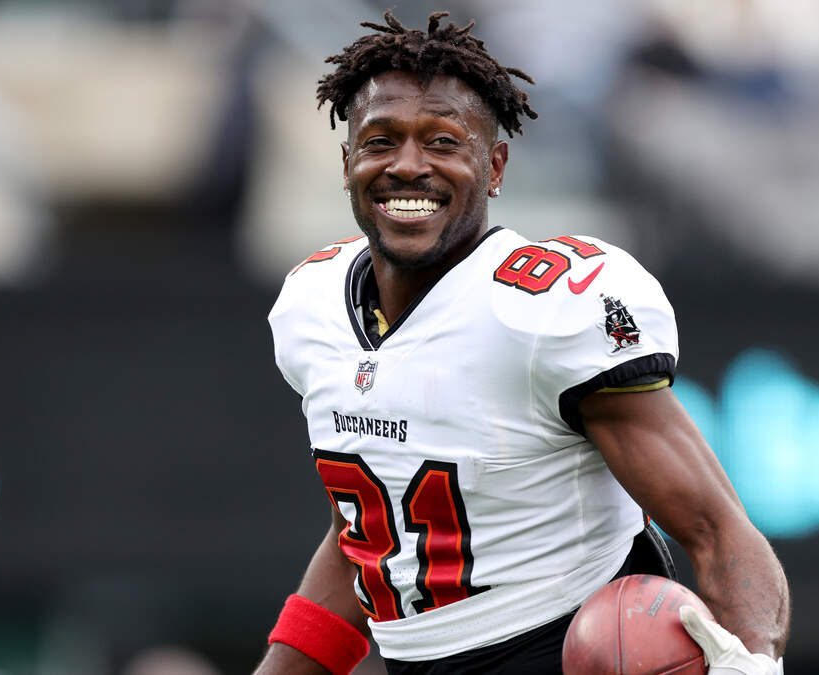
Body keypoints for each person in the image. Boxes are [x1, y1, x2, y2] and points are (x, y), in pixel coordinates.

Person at [260, 11, 790, 675]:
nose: (409, 165)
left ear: (494, 166)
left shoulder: (544, 311)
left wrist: (755, 662)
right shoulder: (312, 306)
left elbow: (716, 529)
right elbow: (369, 538)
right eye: (381, 140)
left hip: (562, 648)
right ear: (347, 163)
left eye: (443, 142)